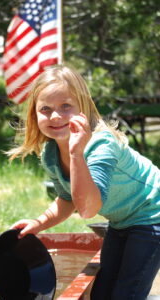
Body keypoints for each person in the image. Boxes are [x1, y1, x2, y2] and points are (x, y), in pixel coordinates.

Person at [8, 65, 160, 300]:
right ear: (34, 114)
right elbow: (68, 199)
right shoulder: (51, 153)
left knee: (127, 293)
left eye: (65, 106)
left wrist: (77, 154)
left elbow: (88, 209)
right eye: (46, 109)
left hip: (152, 213)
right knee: (100, 294)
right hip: (122, 221)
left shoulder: (100, 145)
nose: (55, 116)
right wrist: (39, 223)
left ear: (84, 108)